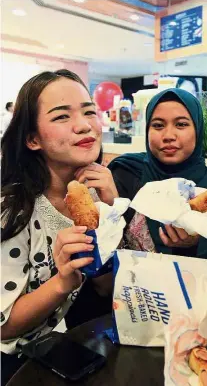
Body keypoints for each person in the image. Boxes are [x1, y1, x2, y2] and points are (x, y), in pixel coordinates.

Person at [1, 69, 118, 384]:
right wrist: (62, 281)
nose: (84, 125)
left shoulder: (95, 195)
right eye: (62, 116)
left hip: (71, 347)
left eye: (89, 111)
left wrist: (113, 213)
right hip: (15, 360)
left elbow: (105, 287)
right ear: (32, 138)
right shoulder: (12, 208)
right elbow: (4, 326)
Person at [109, 88, 207, 262]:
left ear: (197, 129)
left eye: (181, 124)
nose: (168, 136)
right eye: (158, 125)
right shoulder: (126, 172)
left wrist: (191, 246)